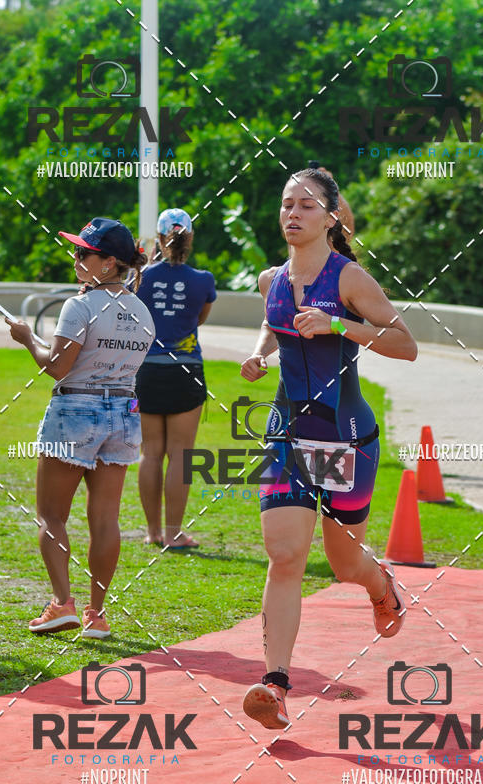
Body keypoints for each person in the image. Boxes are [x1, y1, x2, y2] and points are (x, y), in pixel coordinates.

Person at [240, 168, 418, 729]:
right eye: (287, 205)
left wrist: (340, 325)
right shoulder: (271, 279)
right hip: (286, 433)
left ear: (331, 218)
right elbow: (275, 326)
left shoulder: (349, 279)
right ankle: (275, 684)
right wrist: (260, 354)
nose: (293, 214)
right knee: (286, 555)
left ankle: (381, 583)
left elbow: (405, 345)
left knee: (344, 565)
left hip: (344, 439)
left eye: (307, 206)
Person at [7, 217, 154, 637]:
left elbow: (56, 368)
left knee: (51, 515)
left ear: (109, 262)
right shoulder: (142, 311)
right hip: (124, 413)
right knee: (105, 519)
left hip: (77, 410)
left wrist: (25, 338)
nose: (75, 258)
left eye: (83, 252)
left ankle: (62, 604)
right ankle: (97, 613)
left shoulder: (80, 305)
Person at [135, 208, 216, 549]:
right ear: (191, 238)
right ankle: (173, 532)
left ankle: (152, 531)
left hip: (147, 370)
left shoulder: (141, 277)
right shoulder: (204, 280)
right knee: (180, 455)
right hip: (185, 371)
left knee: (150, 454)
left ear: (158, 237)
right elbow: (199, 320)